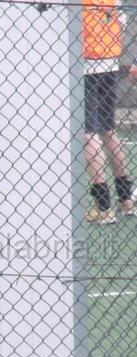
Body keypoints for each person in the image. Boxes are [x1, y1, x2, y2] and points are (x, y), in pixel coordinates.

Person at [83, 0, 137, 224]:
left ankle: (103, 205)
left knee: (88, 132)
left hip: (85, 62)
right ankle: (125, 198)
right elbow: (121, 19)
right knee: (108, 128)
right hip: (109, 59)